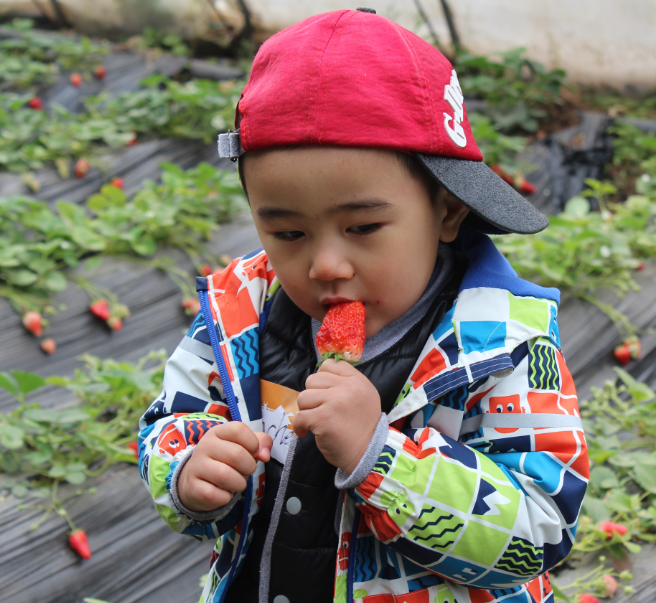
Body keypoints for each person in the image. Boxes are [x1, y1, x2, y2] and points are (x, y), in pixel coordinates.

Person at [138, 8, 589, 603]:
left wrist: (382, 457)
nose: (326, 265)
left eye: (364, 227)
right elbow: (169, 420)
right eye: (289, 234)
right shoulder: (239, 313)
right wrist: (187, 471)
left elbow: (542, 532)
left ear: (448, 210)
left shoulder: (501, 347)